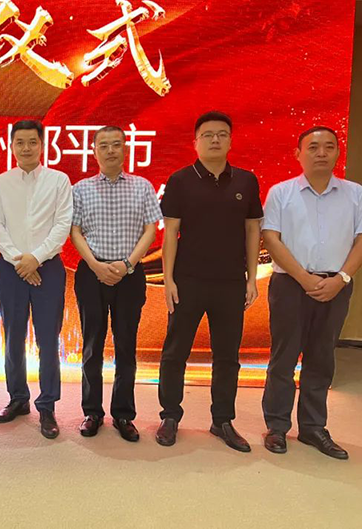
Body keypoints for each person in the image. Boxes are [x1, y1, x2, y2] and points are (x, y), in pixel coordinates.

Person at [155, 111, 263, 452]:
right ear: (196, 142)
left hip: (230, 282)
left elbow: (252, 231)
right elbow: (170, 233)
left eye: (222, 134)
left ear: (230, 141)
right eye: (208, 135)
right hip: (188, 280)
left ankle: (223, 420)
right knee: (175, 353)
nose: (215, 140)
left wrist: (251, 278)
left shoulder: (246, 181)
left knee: (228, 356)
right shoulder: (180, 180)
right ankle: (170, 416)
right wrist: (168, 280)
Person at [261, 126, 362, 459]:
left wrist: (342, 278)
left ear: (337, 153)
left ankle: (313, 427)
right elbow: (271, 238)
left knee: (321, 357)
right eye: (313, 147)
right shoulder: (281, 192)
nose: (321, 153)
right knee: (283, 358)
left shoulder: (355, 194)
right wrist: (303, 278)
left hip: (336, 285)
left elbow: (361, 239)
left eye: (329, 147)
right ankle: (277, 426)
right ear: (298, 153)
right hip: (290, 285)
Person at [70, 126, 161, 441]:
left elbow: (151, 229)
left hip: (129, 275)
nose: (110, 150)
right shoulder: (81, 189)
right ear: (94, 151)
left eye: (116, 145)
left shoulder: (142, 186)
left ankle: (123, 414)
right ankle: (92, 412)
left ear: (125, 149)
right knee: (91, 345)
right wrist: (96, 265)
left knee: (126, 345)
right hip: (92, 273)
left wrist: (127, 264)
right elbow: (75, 231)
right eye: (104, 145)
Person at [0, 119, 73, 439]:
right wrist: (19, 260)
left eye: (32, 142)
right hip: (11, 269)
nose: (26, 148)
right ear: (11, 146)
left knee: (48, 339)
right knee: (13, 337)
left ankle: (47, 405)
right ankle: (18, 398)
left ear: (42, 145)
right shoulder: (0, 183)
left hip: (47, 268)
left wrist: (35, 258)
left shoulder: (58, 180)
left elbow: (62, 224)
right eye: (20, 142)